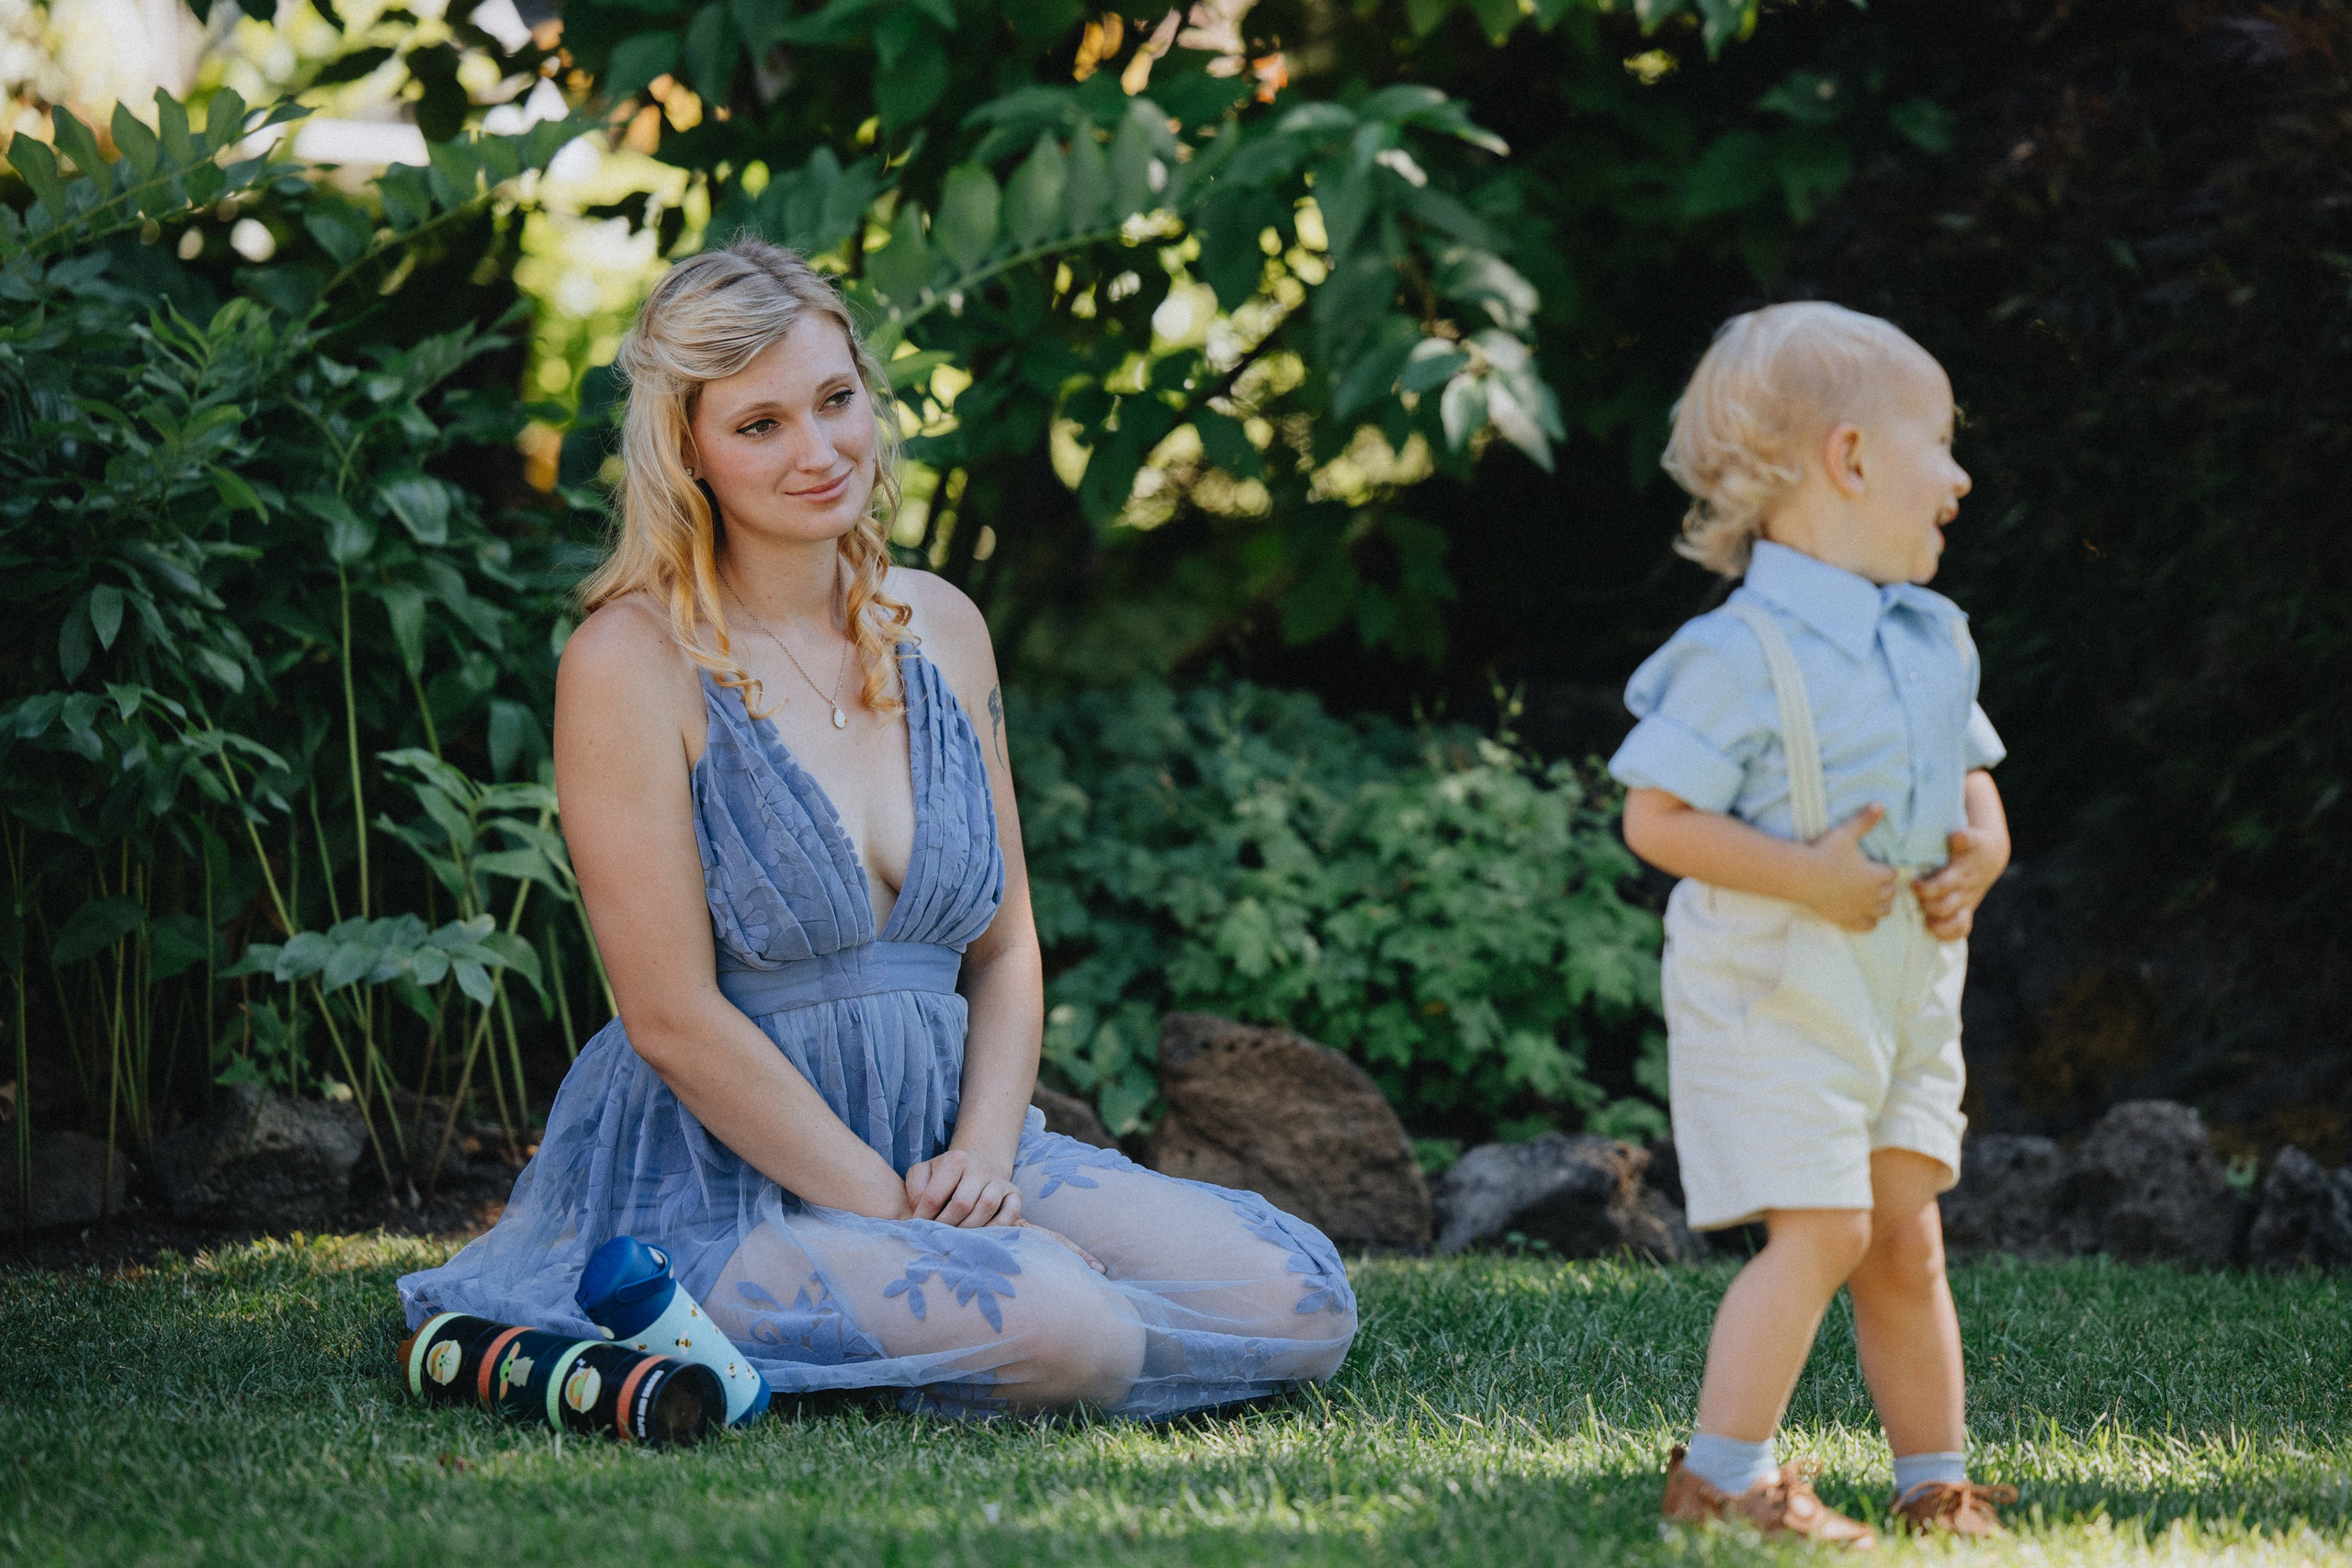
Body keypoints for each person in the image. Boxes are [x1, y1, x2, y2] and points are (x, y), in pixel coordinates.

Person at [398, 236, 1356, 1418]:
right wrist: (900, 1216)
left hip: (952, 1140)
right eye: (759, 425)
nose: (818, 451)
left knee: (1300, 1303)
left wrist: (985, 1166)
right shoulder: (629, 662)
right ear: (686, 451)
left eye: (835, 400)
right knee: (1079, 1336)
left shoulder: (944, 627)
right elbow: (671, 1019)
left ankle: (981, 1320)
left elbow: (1004, 949)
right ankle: (952, 1320)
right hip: (726, 1181)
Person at [1608, 302, 2016, 1541]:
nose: (1957, 477)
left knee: (1902, 1236)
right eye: (1938, 444)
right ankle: (1723, 1477)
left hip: (1902, 985)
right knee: (1825, 1227)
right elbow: (1656, 818)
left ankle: (1932, 1482)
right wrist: (1806, 874)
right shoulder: (1738, 652)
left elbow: (1970, 775)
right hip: (1774, 985)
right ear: (1848, 458)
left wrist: (1985, 845)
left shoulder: (1932, 635)